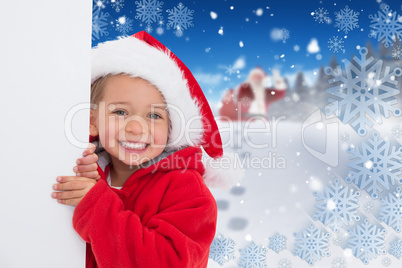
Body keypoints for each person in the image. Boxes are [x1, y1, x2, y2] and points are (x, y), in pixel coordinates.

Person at [51, 31, 242, 268]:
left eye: (153, 115)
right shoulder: (81, 168)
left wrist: (97, 206)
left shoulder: (189, 192)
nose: (135, 128)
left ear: (171, 128)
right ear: (92, 121)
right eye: (120, 112)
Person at [219, 67, 286, 121]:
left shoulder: (265, 92)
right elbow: (242, 102)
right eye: (255, 77)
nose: (257, 80)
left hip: (261, 121)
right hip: (244, 121)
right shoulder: (244, 88)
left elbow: (279, 94)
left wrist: (278, 81)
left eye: (259, 77)